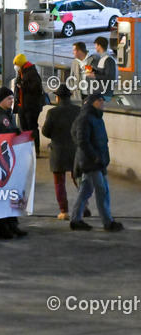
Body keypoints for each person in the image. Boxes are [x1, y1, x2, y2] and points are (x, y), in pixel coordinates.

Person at [69, 93, 124, 232]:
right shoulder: (85, 118)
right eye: (100, 100)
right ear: (92, 102)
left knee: (85, 191)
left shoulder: (96, 117)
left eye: (103, 100)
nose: (103, 102)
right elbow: (82, 141)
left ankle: (75, 219)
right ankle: (107, 222)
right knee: (102, 190)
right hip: (91, 162)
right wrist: (94, 157)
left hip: (98, 161)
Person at [0, 87, 28, 239]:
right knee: (1, 195)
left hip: (10, 158)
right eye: (9, 99)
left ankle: (13, 224)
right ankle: (3, 227)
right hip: (0, 161)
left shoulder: (8, 115)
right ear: (2, 100)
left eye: (12, 99)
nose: (12, 101)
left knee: (12, 192)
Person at [41, 84, 79, 221]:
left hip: (58, 151)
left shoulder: (53, 112)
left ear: (57, 98)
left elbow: (45, 131)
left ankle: (64, 211)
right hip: (75, 150)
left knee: (59, 182)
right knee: (78, 179)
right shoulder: (78, 110)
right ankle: (83, 206)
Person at [13, 53, 44, 155]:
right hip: (22, 105)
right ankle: (27, 149)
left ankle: (35, 150)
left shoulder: (31, 72)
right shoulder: (21, 71)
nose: (15, 66)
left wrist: (23, 87)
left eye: (16, 64)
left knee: (32, 128)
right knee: (24, 128)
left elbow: (36, 88)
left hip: (31, 106)